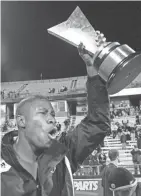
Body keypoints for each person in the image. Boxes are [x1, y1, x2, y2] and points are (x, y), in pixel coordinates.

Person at [1, 42, 110, 196]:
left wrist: (93, 70)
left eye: (52, 114)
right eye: (43, 113)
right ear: (21, 121)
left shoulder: (62, 154)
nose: (52, 119)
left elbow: (97, 124)